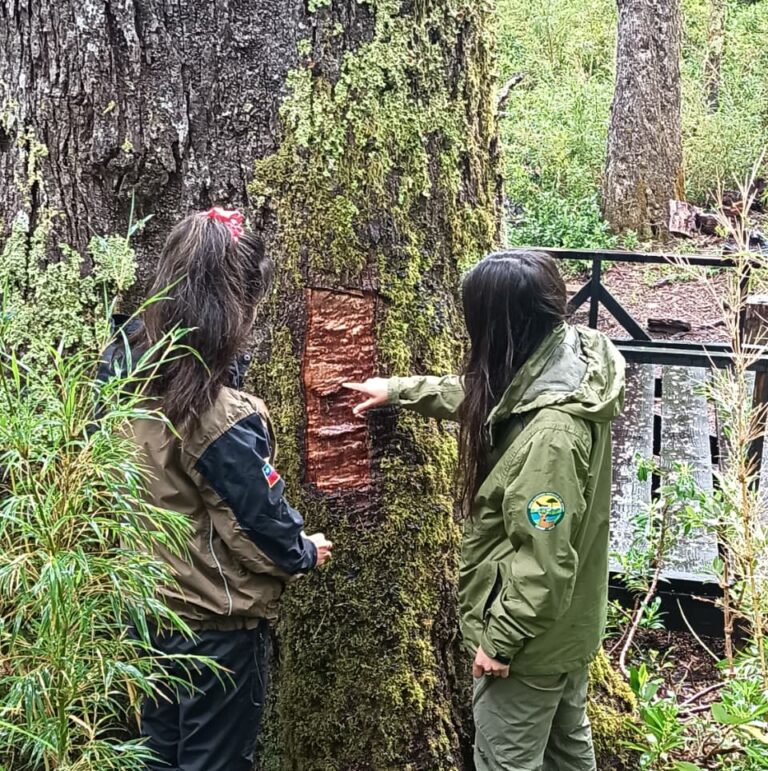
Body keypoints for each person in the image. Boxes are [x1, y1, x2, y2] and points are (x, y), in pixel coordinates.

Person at [344, 250, 625, 771]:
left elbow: (544, 561)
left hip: (529, 646)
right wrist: (401, 391)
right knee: (568, 746)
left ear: (502, 327)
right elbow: (497, 398)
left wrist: (500, 643)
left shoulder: (553, 440)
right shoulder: (567, 359)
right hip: (567, 629)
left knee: (504, 760)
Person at [100, 208, 332, 771]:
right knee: (215, 760)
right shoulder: (219, 416)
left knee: (154, 752)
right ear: (237, 305)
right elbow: (256, 524)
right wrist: (304, 551)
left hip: (144, 612)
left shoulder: (122, 370)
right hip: (214, 627)